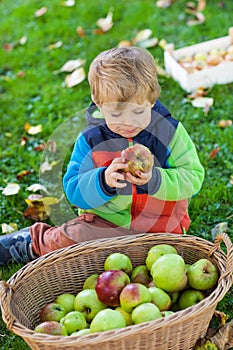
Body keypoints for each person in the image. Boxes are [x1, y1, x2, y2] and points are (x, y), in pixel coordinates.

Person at [0, 46, 205, 266]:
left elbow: (192, 177)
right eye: (116, 113)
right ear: (98, 103)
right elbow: (73, 188)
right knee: (76, 241)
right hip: (106, 224)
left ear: (152, 100)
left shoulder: (169, 134)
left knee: (162, 264)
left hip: (162, 227)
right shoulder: (91, 140)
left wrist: (155, 180)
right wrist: (103, 181)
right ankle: (35, 242)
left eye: (138, 112)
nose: (128, 122)